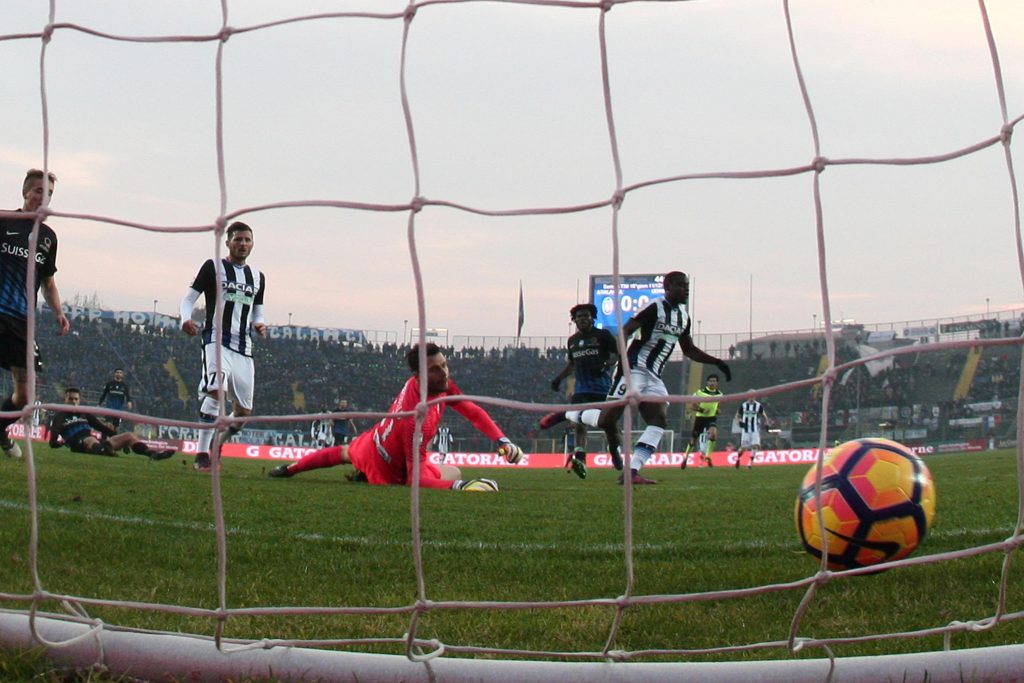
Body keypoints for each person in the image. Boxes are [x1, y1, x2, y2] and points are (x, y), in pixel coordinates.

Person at [540, 271, 730, 485]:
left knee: (658, 421)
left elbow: (688, 350)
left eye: (687, 285)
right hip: (634, 370)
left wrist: (717, 362)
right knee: (606, 420)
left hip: (654, 376)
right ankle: (567, 415)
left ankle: (631, 472)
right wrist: (622, 362)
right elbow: (625, 331)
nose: (685, 289)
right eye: (680, 285)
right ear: (667, 287)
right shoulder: (653, 307)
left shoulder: (683, 317)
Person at [269, 343, 523, 490]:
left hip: (373, 441)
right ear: (420, 376)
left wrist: (502, 441)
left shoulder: (434, 386)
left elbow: (471, 410)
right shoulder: (415, 422)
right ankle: (363, 475)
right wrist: (461, 487)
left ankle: (288, 469)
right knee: (453, 474)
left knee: (344, 452)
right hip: (389, 469)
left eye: (444, 365)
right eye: (436, 370)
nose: (445, 373)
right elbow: (415, 480)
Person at [180, 221, 267, 471]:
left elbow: (257, 311)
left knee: (243, 414)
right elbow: (188, 299)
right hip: (216, 339)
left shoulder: (257, 277)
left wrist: (260, 324)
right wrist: (185, 318)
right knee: (217, 392)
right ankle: (201, 453)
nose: (242, 244)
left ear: (252, 244)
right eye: (238, 239)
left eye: (247, 240)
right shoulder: (213, 267)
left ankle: (219, 440)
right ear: (228, 242)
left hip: (244, 347)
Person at [0, 169, 71, 458]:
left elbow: (48, 282)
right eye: (39, 191)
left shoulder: (48, 238)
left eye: (50, 193)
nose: (44, 197)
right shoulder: (4, 221)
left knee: (26, 396)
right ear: (25, 193)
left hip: (21, 321)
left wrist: (59, 312)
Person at [548, 303, 621, 479]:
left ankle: (614, 451)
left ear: (592, 318)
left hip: (604, 388)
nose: (582, 319)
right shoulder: (572, 341)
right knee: (578, 421)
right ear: (574, 320)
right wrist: (559, 379)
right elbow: (572, 364)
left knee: (609, 425)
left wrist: (607, 364)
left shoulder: (603, 335)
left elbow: (617, 355)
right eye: (579, 316)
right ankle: (580, 457)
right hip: (582, 389)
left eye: (586, 316)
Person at [47, 387, 174, 460]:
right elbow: (53, 441)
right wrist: (61, 444)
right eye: (70, 399)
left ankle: (152, 453)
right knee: (90, 439)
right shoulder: (60, 415)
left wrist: (120, 440)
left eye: (76, 399)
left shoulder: (84, 413)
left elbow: (103, 428)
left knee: (129, 436)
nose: (73, 402)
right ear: (65, 399)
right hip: (79, 445)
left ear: (79, 400)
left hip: (94, 443)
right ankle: (106, 452)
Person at [681, 374, 724, 469]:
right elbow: (692, 406)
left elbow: (718, 405)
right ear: (707, 382)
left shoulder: (720, 394)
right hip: (700, 418)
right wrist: (701, 410)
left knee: (713, 434)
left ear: (717, 383)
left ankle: (708, 457)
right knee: (693, 440)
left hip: (711, 418)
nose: (712, 383)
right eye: (711, 381)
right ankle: (685, 457)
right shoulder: (700, 393)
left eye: (714, 381)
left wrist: (718, 410)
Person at [734, 392, 771, 469]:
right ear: (747, 397)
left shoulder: (758, 405)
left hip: (755, 429)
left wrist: (766, 423)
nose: (751, 398)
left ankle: (750, 463)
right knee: (743, 448)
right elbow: (737, 415)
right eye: (750, 396)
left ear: (755, 397)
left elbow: (764, 415)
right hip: (746, 430)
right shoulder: (744, 405)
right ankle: (738, 459)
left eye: (753, 396)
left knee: (756, 446)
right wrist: (739, 422)